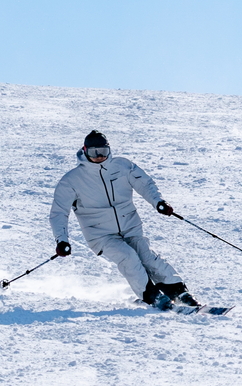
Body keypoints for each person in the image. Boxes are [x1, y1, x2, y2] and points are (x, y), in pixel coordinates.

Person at [50, 130, 197, 310]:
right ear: (84, 151)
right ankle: (152, 297)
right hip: (101, 235)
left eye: (102, 152)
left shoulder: (123, 166)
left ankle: (180, 293)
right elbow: (59, 212)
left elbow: (145, 183)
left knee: (148, 258)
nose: (99, 157)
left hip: (131, 227)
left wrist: (158, 202)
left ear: (109, 150)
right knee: (128, 258)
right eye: (93, 153)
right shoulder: (72, 180)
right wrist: (62, 240)